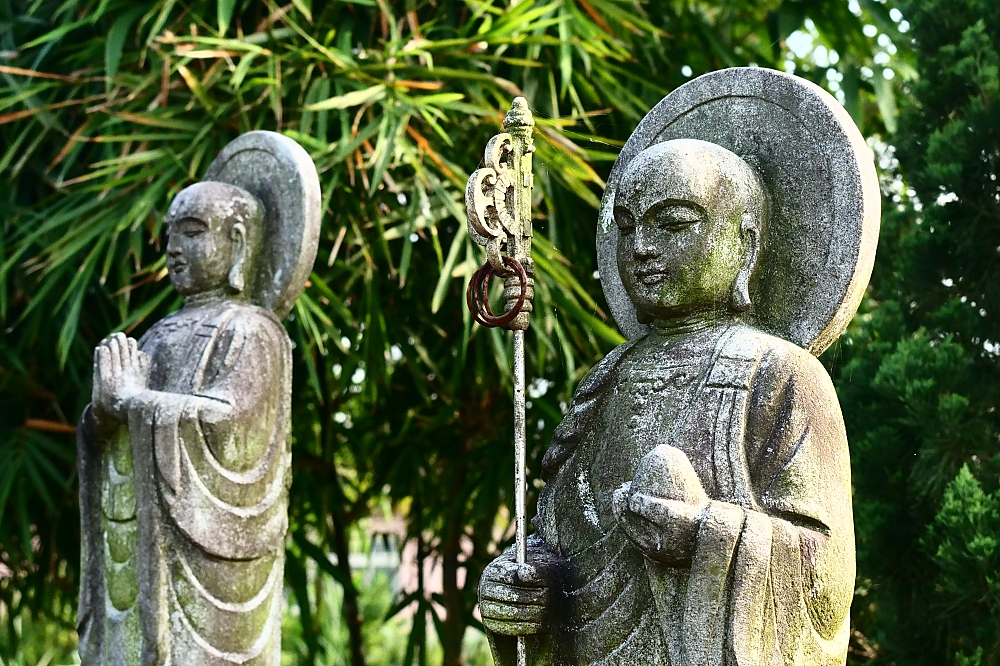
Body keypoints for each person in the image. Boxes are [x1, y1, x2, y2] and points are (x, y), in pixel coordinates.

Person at [478, 139, 855, 666]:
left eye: (672, 224)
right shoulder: (608, 380)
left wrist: (704, 536)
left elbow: (827, 580)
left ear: (745, 241)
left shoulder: (781, 375)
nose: (642, 248)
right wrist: (522, 583)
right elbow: (564, 539)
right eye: (628, 227)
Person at [77, 182, 292, 666]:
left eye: (192, 232)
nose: (174, 248)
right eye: (171, 233)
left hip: (211, 561)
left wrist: (136, 401)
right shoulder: (156, 334)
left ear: (236, 240)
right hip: (140, 551)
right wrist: (103, 415)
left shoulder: (253, 331)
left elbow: (230, 427)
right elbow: (113, 432)